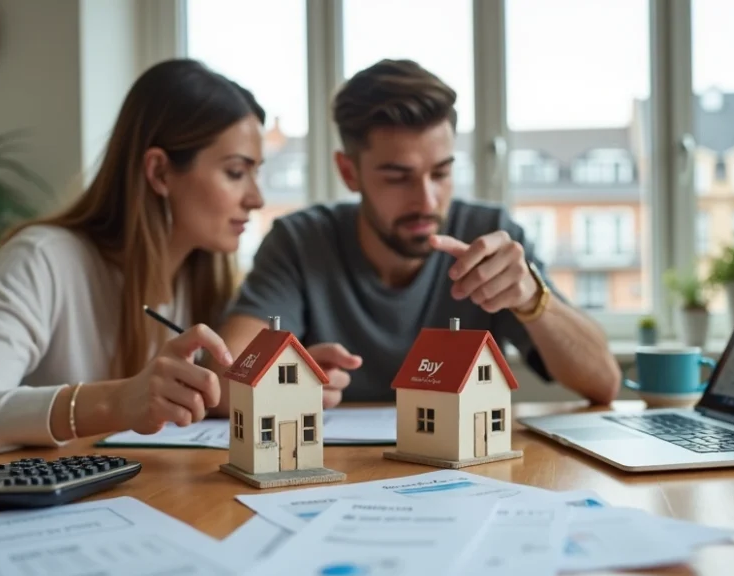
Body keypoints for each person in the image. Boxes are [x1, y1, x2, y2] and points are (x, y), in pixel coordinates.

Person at [0, 59, 265, 475]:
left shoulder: (204, 281)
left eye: (256, 173)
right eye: (235, 172)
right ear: (160, 172)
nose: (256, 198)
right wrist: (115, 402)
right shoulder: (42, 260)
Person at [215, 59, 621, 413]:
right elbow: (224, 379)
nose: (427, 200)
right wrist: (287, 383)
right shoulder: (300, 241)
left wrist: (532, 298)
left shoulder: (489, 237)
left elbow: (603, 383)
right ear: (349, 172)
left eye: (441, 173)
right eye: (398, 177)